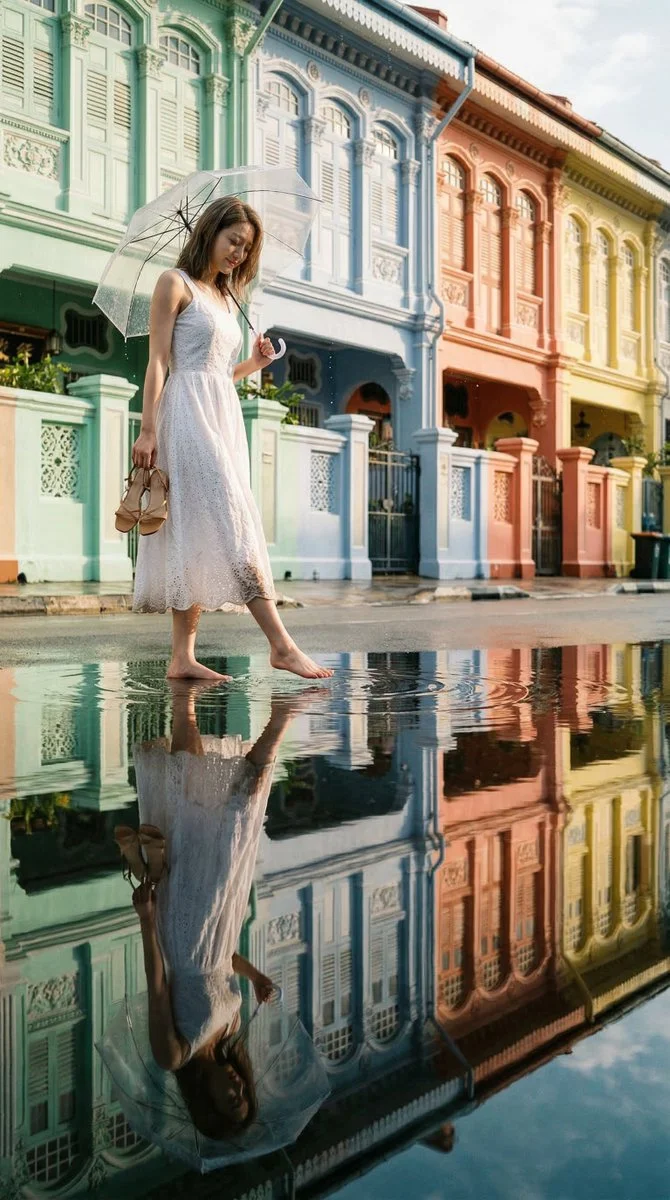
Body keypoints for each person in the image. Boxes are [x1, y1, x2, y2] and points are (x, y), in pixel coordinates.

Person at [130, 195, 333, 683]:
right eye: (234, 241)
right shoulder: (173, 283)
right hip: (185, 414)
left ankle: (183, 657)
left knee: (197, 527)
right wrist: (147, 427)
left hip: (221, 413)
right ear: (211, 232)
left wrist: (256, 365)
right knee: (231, 518)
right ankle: (282, 645)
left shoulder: (226, 297)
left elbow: (221, 373)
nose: (239, 254)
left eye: (247, 248)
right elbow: (161, 362)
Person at [116, 683, 321, 1138]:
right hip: (219, 930)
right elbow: (222, 963)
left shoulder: (174, 1055)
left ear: (205, 1104)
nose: (236, 1087)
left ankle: (274, 717)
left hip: (183, 931)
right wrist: (255, 977)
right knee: (212, 816)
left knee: (213, 820)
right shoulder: (229, 1031)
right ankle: (193, 699)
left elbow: (156, 988)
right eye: (244, 1093)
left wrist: (147, 920)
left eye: (230, 1099)